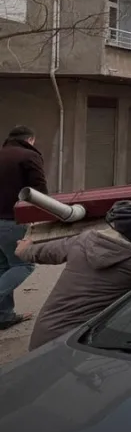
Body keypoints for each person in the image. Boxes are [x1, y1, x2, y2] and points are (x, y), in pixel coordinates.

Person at [16, 200, 131, 350]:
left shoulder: (83, 240)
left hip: (43, 336)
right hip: (77, 342)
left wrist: (25, 248)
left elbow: (41, 252)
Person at [0, 126, 46, 331]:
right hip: (12, 219)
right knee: (23, 265)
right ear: (30, 139)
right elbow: (39, 191)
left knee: (3, 267)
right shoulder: (29, 156)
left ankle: (4, 316)